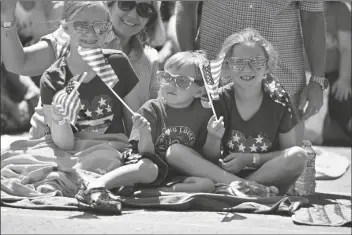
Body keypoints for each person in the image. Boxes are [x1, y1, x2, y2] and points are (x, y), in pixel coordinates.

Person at [157, 29, 307, 196]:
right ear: (227, 66)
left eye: (256, 61)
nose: (247, 68)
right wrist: (213, 138)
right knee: (175, 151)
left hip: (265, 173)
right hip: (222, 174)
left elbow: (288, 150)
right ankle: (245, 187)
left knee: (299, 155)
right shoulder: (217, 99)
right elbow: (209, 159)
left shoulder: (278, 100)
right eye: (237, 62)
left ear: (267, 66)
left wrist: (250, 159)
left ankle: (240, 187)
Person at [0, 0, 166, 138]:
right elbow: (18, 64)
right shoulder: (72, 36)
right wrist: (7, 18)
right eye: (126, 3)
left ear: (151, 18)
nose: (133, 14)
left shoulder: (150, 59)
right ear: (110, 4)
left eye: (145, 9)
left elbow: (150, 117)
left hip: (110, 152)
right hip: (52, 145)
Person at [75, 51, 219, 210]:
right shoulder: (151, 108)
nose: (171, 84)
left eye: (182, 81)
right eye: (167, 78)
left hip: (175, 173)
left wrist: (214, 136)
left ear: (199, 91)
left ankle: (151, 193)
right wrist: (144, 133)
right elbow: (144, 152)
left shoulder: (203, 113)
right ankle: (96, 185)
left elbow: (206, 157)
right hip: (145, 163)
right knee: (149, 169)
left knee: (207, 184)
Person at [175, 1, 328, 146]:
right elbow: (186, 6)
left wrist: (317, 80)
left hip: (283, 79)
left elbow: (312, 16)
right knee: (208, 160)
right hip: (214, 79)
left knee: (288, 159)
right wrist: (193, 68)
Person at [39, 1, 139, 151]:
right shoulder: (52, 78)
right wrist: (58, 118)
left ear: (108, 29)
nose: (92, 32)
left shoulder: (119, 64)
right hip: (74, 153)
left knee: (149, 169)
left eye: (100, 26)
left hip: (114, 149)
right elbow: (64, 145)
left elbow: (133, 127)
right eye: (82, 25)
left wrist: (140, 140)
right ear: (66, 27)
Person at [323, 1, 351, 143]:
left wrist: (345, 78)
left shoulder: (341, 9)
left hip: (333, 73)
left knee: (343, 98)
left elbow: (346, 47)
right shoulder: (297, 8)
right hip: (306, 74)